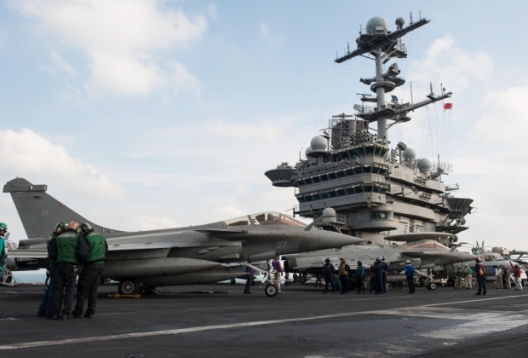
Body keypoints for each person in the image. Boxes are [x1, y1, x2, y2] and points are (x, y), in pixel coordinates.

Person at [52, 221, 89, 320]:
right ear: (77, 229)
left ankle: (55, 313)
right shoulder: (78, 237)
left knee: (58, 289)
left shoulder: (59, 238)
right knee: (70, 289)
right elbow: (83, 253)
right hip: (71, 266)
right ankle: (65, 313)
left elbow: (52, 253)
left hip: (59, 265)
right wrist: (79, 262)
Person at [72, 223, 107, 318]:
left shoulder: (86, 238)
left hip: (90, 265)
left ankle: (78, 311)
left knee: (82, 288)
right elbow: (106, 249)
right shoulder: (101, 236)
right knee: (93, 289)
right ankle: (90, 311)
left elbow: (83, 253)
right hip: (100, 265)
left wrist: (80, 262)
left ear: (83, 230)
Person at [37, 221, 66, 318]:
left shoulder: (52, 238)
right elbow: (54, 254)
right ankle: (49, 311)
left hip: (52, 264)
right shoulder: (56, 239)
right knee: (54, 289)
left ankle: (42, 310)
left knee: (51, 289)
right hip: (55, 265)